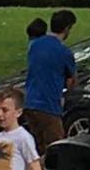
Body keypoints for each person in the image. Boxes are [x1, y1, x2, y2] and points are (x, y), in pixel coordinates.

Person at [24, 13, 74, 142]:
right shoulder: (64, 52)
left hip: (29, 103)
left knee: (37, 145)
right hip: (49, 105)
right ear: (67, 28)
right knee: (55, 145)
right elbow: (71, 82)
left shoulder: (34, 45)